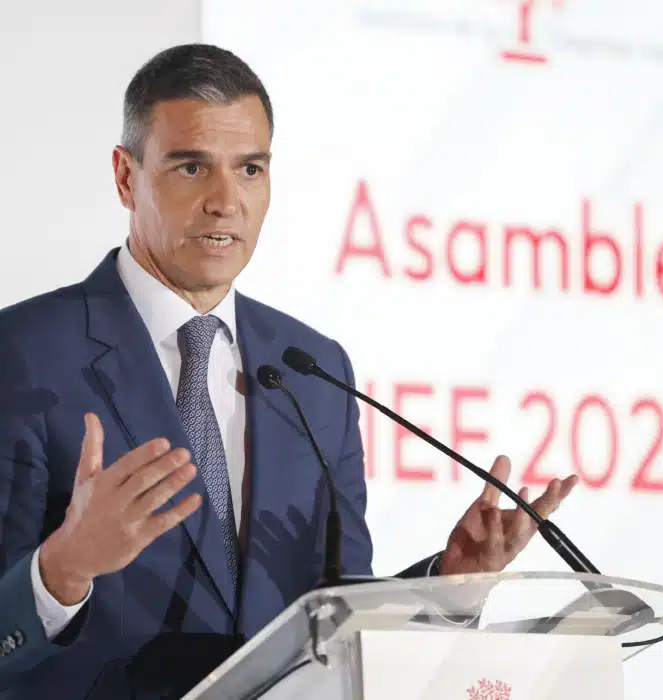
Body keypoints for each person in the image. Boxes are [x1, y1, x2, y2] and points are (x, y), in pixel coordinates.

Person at [0, 44, 576, 700]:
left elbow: (336, 619)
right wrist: (62, 570)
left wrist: (447, 584)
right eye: (191, 167)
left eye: (250, 169)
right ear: (126, 177)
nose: (225, 201)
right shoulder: (22, 353)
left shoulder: (312, 369)